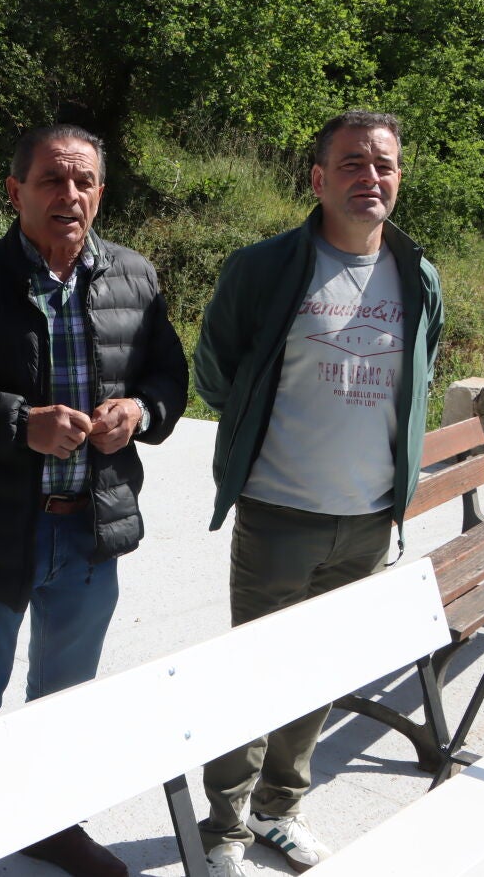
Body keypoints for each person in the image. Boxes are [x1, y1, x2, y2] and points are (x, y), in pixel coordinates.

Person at [0, 124, 187, 877]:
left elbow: (170, 380)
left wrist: (141, 413)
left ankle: (49, 823)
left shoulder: (135, 278)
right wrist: (17, 425)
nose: (70, 195)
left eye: (84, 181)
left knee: (65, 701)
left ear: (101, 192)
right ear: (15, 191)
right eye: (52, 180)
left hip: (89, 533)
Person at [192, 110, 445, 876]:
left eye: (384, 164)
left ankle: (280, 807)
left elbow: (418, 378)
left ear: (399, 177)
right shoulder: (265, 268)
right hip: (280, 511)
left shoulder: (418, 275)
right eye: (352, 164)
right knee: (253, 671)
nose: (371, 177)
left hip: (367, 518)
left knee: (319, 670)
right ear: (318, 179)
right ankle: (222, 829)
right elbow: (217, 372)